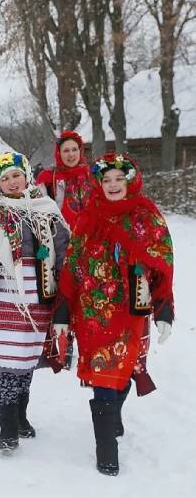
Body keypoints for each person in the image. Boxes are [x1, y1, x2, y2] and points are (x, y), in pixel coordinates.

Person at [55, 153, 174, 476]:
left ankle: (114, 413)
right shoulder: (87, 216)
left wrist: (165, 309)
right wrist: (63, 312)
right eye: (106, 180)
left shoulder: (147, 216)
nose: (112, 185)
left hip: (132, 311)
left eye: (119, 179)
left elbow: (163, 264)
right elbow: (72, 266)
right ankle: (106, 446)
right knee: (101, 375)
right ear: (98, 184)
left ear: (130, 180)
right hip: (94, 313)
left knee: (123, 369)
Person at [0, 152, 69, 452]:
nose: (11, 182)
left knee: (27, 360)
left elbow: (62, 254)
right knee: (7, 362)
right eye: (4, 178)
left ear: (27, 177)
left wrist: (67, 297)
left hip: (36, 299)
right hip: (1, 299)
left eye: (15, 175)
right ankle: (7, 425)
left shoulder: (46, 210)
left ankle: (20, 414)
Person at [35, 131, 94, 229]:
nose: (71, 154)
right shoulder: (48, 178)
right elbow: (41, 214)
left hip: (90, 236)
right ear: (59, 153)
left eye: (74, 149)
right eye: (66, 150)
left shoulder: (92, 175)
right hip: (61, 238)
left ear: (80, 151)